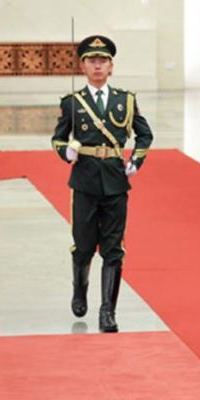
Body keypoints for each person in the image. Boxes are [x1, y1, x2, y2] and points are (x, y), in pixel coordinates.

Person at [51, 35, 153, 333]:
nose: (98, 66)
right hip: (84, 181)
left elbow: (144, 135)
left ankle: (108, 310)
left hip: (115, 182)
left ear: (111, 67)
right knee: (83, 246)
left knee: (114, 248)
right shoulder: (72, 103)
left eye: (103, 61)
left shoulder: (126, 100)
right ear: (83, 66)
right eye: (92, 61)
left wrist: (136, 161)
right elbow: (58, 138)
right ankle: (79, 290)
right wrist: (66, 152)